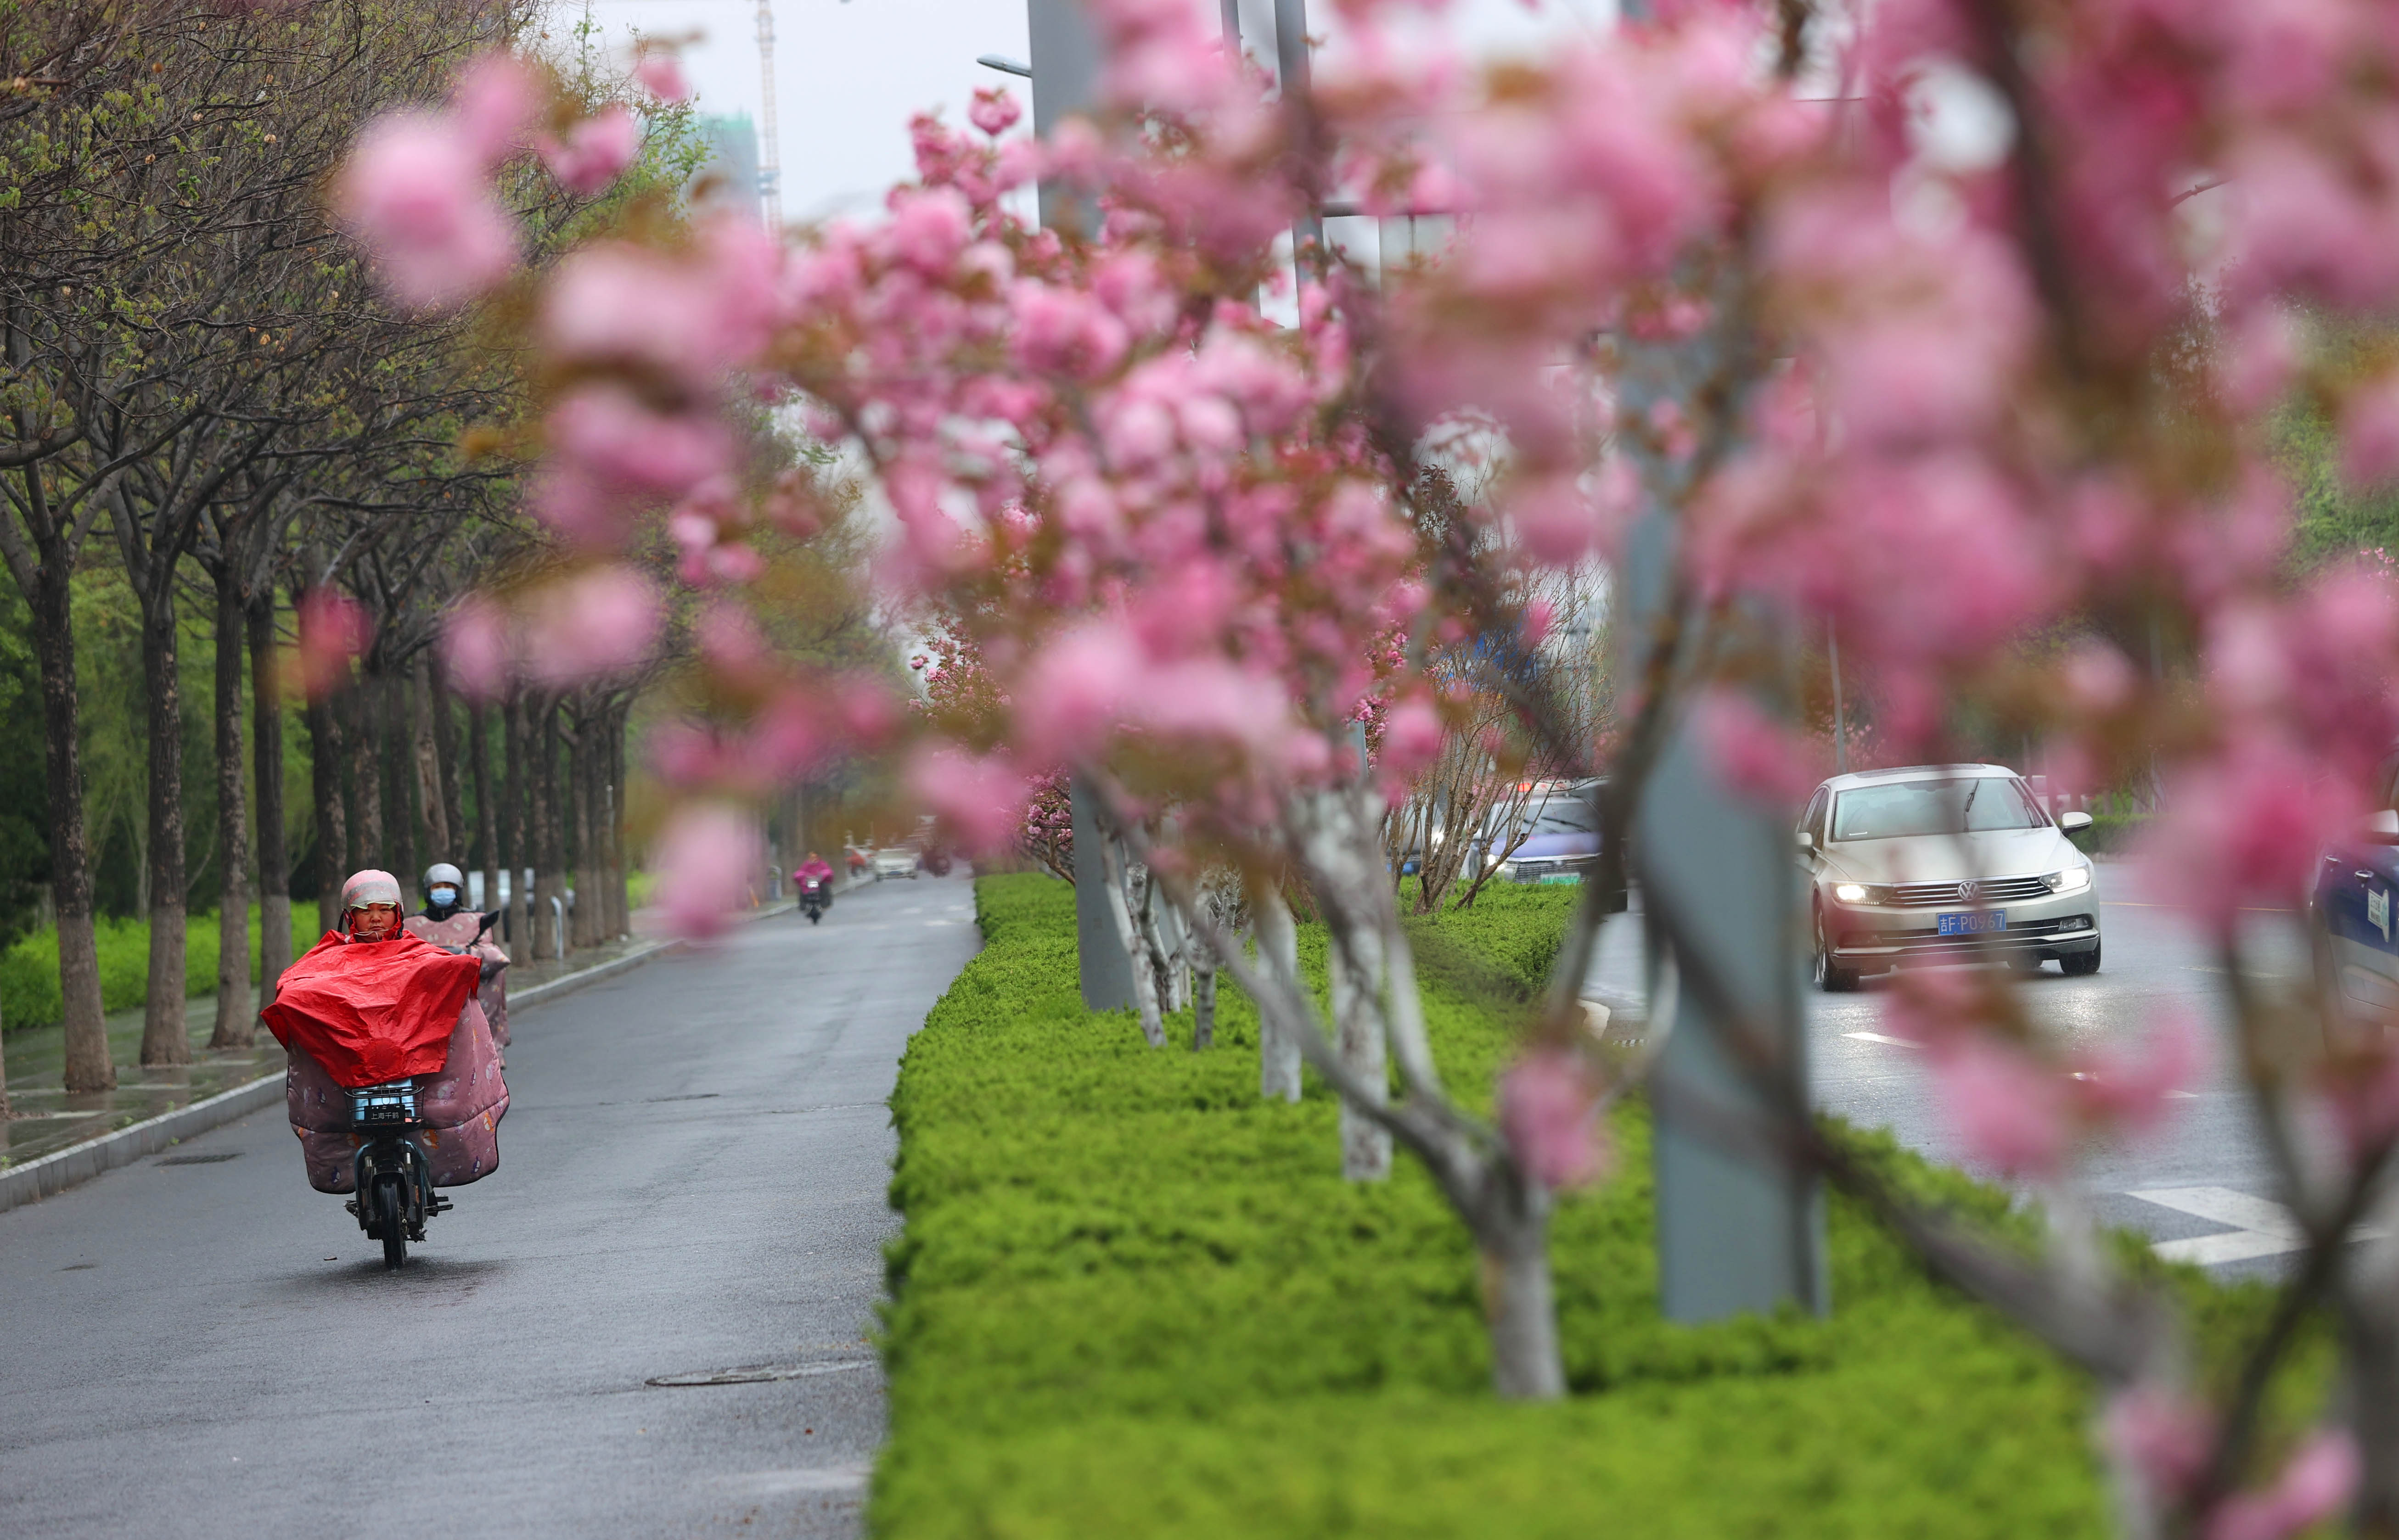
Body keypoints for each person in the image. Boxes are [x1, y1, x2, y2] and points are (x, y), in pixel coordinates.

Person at [404, 861, 511, 1059]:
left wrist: (463, 956)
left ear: (458, 891)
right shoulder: (411, 925)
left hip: (468, 986)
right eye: (437, 888)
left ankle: (491, 1045)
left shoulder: (476, 921)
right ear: (428, 891)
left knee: (498, 973)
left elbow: (490, 953)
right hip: (428, 988)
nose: (443, 891)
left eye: (448, 887)